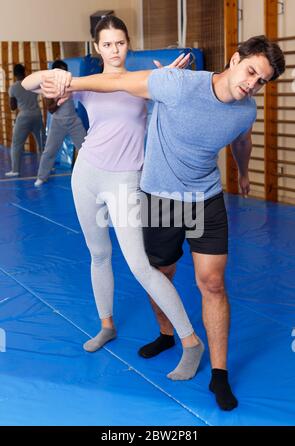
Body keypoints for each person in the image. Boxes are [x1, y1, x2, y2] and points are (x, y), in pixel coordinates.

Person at [39, 34, 285, 411]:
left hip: (205, 199)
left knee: (213, 284)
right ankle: (166, 334)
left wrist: (244, 173)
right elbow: (118, 82)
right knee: (161, 271)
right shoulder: (179, 84)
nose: (252, 84)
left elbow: (241, 141)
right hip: (161, 198)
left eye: (261, 81)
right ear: (235, 59)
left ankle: (219, 373)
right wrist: (71, 82)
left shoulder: (246, 110)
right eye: (251, 71)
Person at [22, 16, 204, 383]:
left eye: (119, 43)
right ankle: (106, 325)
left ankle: (191, 341)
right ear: (97, 48)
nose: (114, 50)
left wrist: (169, 76)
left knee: (140, 266)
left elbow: (178, 94)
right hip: (86, 174)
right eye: (106, 44)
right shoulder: (87, 85)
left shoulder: (142, 81)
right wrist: (54, 76)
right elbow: (29, 83)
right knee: (99, 254)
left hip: (125, 179)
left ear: (128, 44)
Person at [34, 60, 86, 187]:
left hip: (73, 121)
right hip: (58, 122)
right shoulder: (49, 87)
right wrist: (58, 98)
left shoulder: (70, 83)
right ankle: (42, 176)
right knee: (49, 151)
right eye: (60, 71)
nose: (63, 74)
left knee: (86, 149)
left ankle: (92, 177)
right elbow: (50, 109)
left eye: (65, 71)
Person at [5, 63, 46, 177]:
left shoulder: (13, 88)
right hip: (37, 115)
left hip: (23, 116)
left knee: (17, 144)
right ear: (25, 72)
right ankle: (48, 166)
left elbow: (13, 107)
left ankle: (15, 170)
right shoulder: (32, 84)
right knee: (42, 142)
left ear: (14, 74)